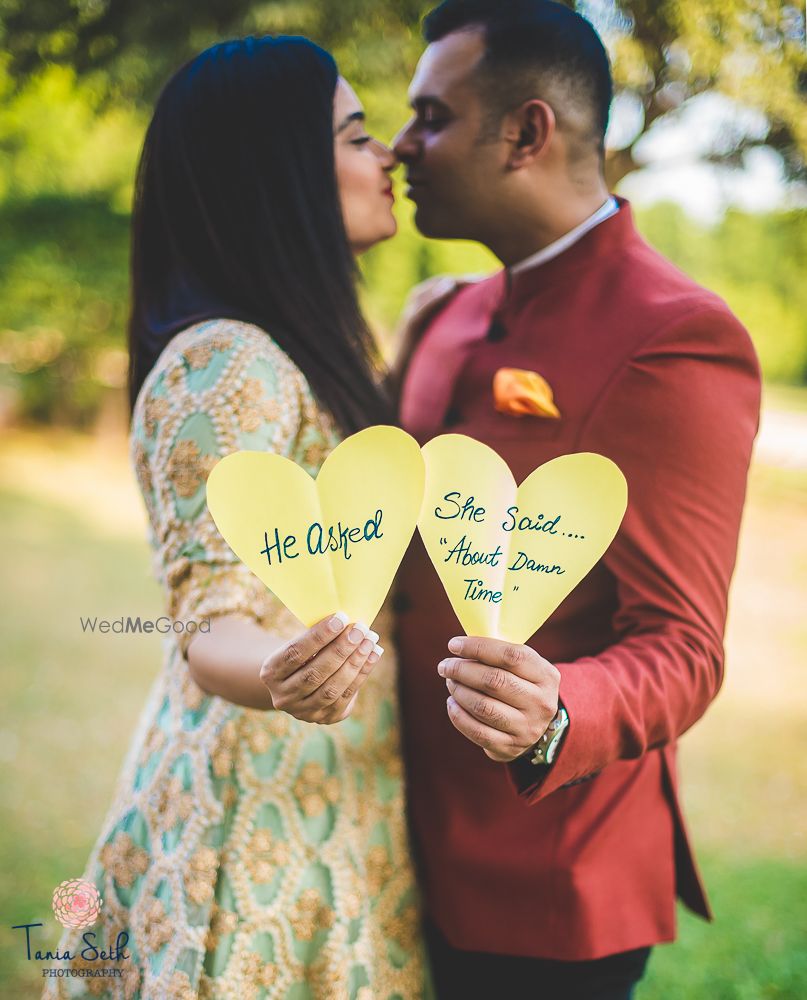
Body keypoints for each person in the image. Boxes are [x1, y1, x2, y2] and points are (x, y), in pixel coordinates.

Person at [44, 36, 430, 1000]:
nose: (386, 155)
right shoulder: (226, 361)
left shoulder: (290, 352)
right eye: (355, 135)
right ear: (279, 174)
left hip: (325, 796)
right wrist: (285, 676)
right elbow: (204, 624)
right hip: (252, 817)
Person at [391, 2, 762, 997]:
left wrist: (557, 710)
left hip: (543, 886)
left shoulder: (676, 336)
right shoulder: (445, 314)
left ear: (526, 132)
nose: (400, 146)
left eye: (431, 117)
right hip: (386, 841)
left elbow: (684, 643)